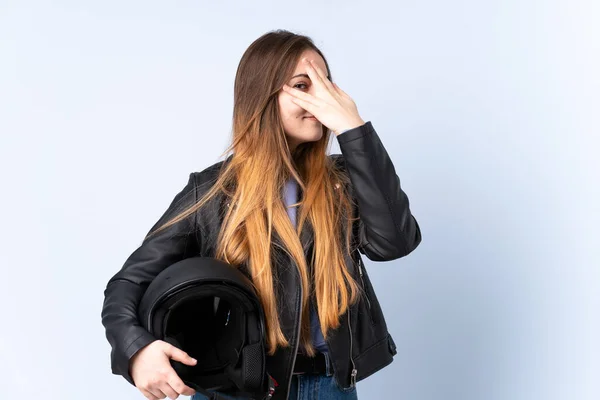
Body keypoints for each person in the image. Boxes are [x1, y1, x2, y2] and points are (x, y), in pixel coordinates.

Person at [101, 29, 422, 400]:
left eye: (326, 85)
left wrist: (355, 130)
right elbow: (127, 285)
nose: (322, 100)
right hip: (242, 388)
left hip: (331, 387)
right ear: (263, 96)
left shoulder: (344, 181)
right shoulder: (211, 192)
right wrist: (137, 351)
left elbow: (395, 242)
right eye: (303, 85)